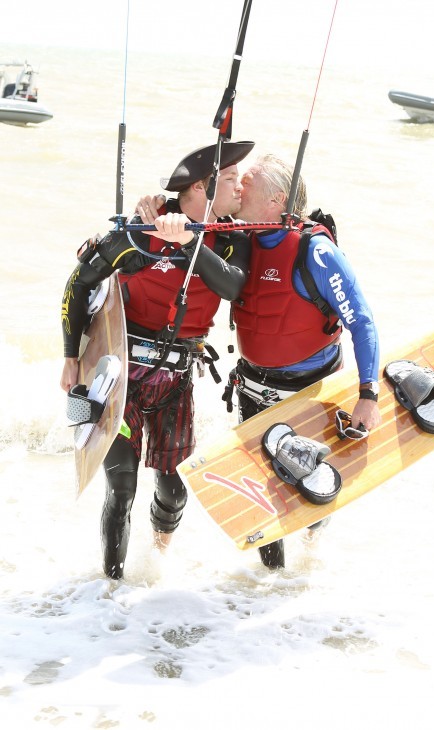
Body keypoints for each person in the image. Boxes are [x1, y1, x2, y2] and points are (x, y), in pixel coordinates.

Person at [60, 140, 254, 579]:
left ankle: (158, 557)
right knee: (122, 486)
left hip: (176, 384)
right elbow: (78, 283)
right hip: (121, 379)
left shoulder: (231, 241)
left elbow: (232, 287)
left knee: (174, 492)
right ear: (203, 187)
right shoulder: (138, 234)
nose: (240, 187)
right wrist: (70, 356)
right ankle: (111, 588)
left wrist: (188, 241)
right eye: (229, 179)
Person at [226, 153, 381, 570]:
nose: (239, 186)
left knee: (311, 489)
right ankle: (271, 580)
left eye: (249, 180)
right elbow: (186, 210)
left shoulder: (316, 252)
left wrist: (369, 394)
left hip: (311, 394)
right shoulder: (236, 240)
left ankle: (312, 561)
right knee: (263, 493)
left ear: (277, 199)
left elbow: (361, 321)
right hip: (253, 391)